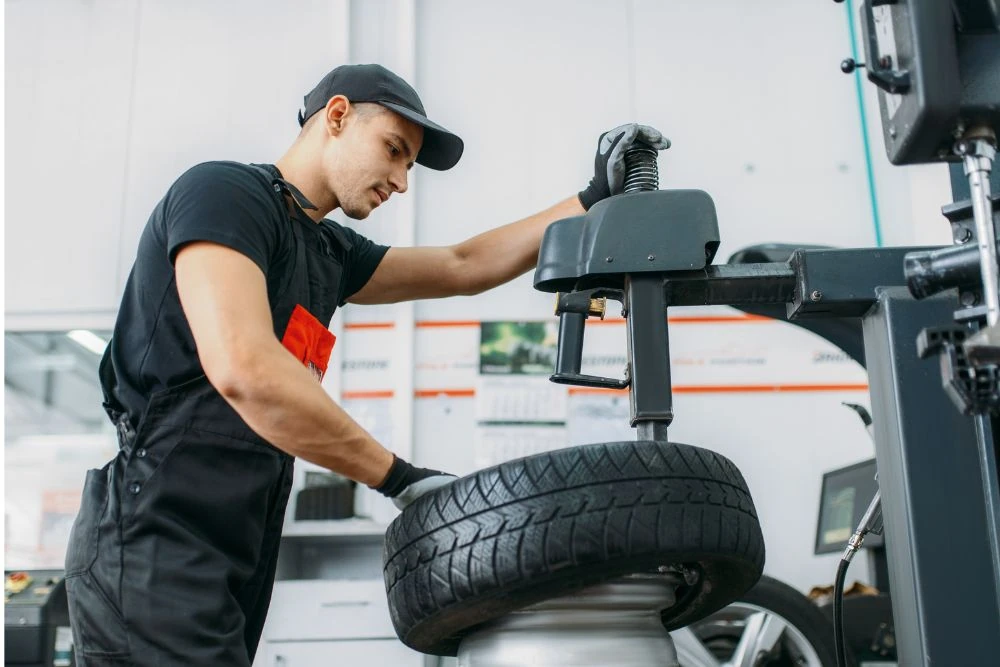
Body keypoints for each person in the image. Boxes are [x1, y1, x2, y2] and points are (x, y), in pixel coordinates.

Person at [64, 62, 669, 666]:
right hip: (152, 535)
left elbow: (463, 264)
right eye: (394, 150)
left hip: (236, 540)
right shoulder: (224, 194)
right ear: (337, 115)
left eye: (408, 164)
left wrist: (592, 200)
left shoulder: (329, 249)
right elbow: (244, 369)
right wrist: (399, 477)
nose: (402, 180)